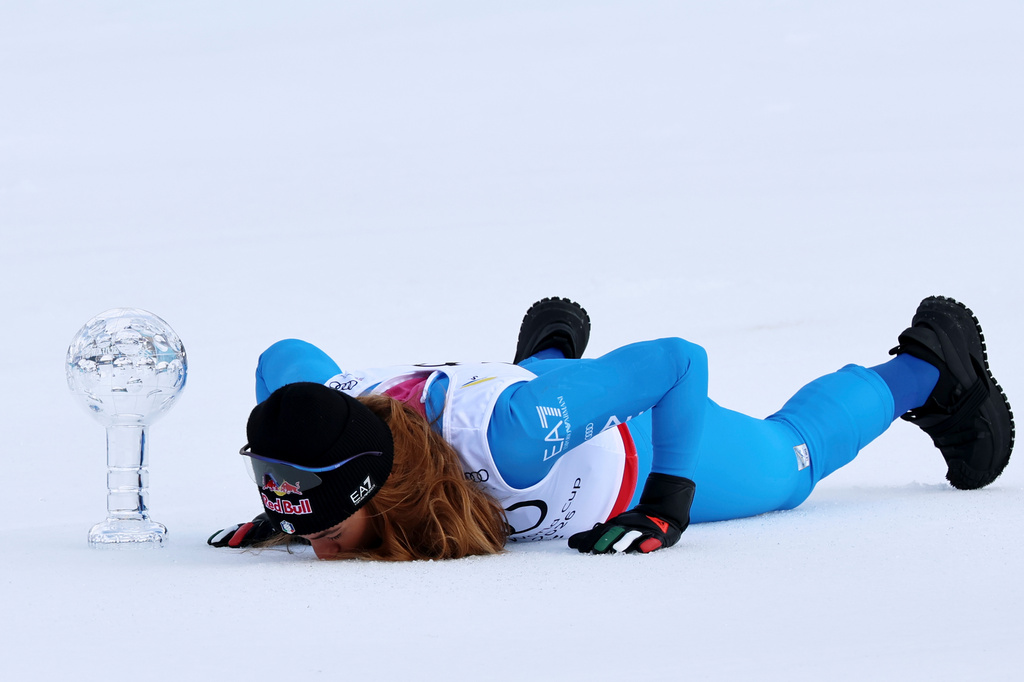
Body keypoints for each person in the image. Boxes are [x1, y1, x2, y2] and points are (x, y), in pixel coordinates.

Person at [209, 296, 1014, 561]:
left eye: (333, 534)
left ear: (385, 490)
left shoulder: (513, 441)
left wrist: (666, 501)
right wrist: (290, 503)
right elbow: (285, 359)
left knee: (786, 461)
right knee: (551, 397)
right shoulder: (333, 407)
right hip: (543, 399)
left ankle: (931, 369)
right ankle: (553, 356)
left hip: (622, 443)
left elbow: (677, 360)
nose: (317, 551)